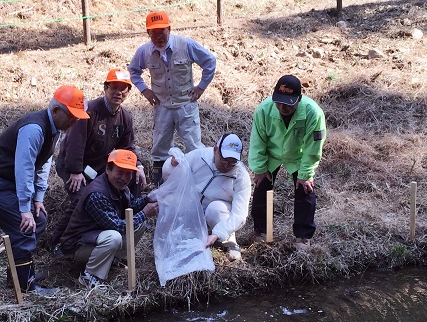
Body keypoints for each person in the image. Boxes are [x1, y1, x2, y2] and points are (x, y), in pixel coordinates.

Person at [0, 85, 90, 297]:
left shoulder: (55, 129)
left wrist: (38, 199)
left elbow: (43, 163)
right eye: (71, 115)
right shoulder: (34, 129)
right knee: (23, 226)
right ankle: (26, 285)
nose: (75, 121)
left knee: (40, 220)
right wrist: (24, 208)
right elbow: (24, 168)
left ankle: (17, 274)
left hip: (8, 181)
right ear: (56, 111)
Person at [50, 68, 147, 251]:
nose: (118, 92)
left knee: (132, 180)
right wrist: (76, 171)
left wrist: (139, 165)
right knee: (82, 195)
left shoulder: (125, 117)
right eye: (114, 87)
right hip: (75, 163)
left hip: (99, 167)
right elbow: (74, 143)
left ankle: (124, 228)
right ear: (105, 88)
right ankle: (60, 242)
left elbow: (128, 147)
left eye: (123, 89)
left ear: (128, 92)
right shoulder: (90, 112)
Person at [128, 10, 216, 186]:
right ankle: (161, 183)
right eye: (154, 32)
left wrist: (201, 87)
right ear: (148, 33)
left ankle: (198, 181)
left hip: (186, 104)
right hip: (162, 106)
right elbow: (133, 71)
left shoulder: (185, 45)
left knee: (193, 144)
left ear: (169, 28)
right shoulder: (144, 51)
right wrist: (145, 90)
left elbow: (210, 61)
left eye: (162, 31)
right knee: (160, 145)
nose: (159, 36)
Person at [59, 149, 158, 289]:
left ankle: (114, 259)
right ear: (108, 169)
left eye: (128, 173)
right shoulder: (97, 194)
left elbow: (131, 206)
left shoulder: (120, 186)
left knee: (139, 224)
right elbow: (118, 226)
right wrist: (145, 213)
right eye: (120, 172)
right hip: (77, 245)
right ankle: (89, 276)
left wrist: (148, 198)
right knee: (114, 237)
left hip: (96, 236)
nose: (124, 178)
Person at [248, 75, 326, 251]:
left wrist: (306, 174)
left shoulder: (313, 113)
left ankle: (303, 237)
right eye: (279, 102)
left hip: (298, 156)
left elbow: (312, 148)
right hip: (272, 154)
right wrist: (259, 168)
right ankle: (263, 232)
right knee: (263, 188)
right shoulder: (264, 110)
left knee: (305, 191)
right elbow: (257, 141)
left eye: (288, 103)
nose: (282, 107)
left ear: (299, 99)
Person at [162, 133, 251, 261]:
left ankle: (229, 241)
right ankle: (179, 233)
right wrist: (171, 164)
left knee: (216, 209)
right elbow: (169, 175)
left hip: (217, 211)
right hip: (192, 205)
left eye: (232, 162)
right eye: (224, 160)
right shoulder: (199, 156)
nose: (226, 166)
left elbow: (240, 214)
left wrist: (217, 234)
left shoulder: (241, 176)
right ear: (215, 150)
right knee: (169, 200)